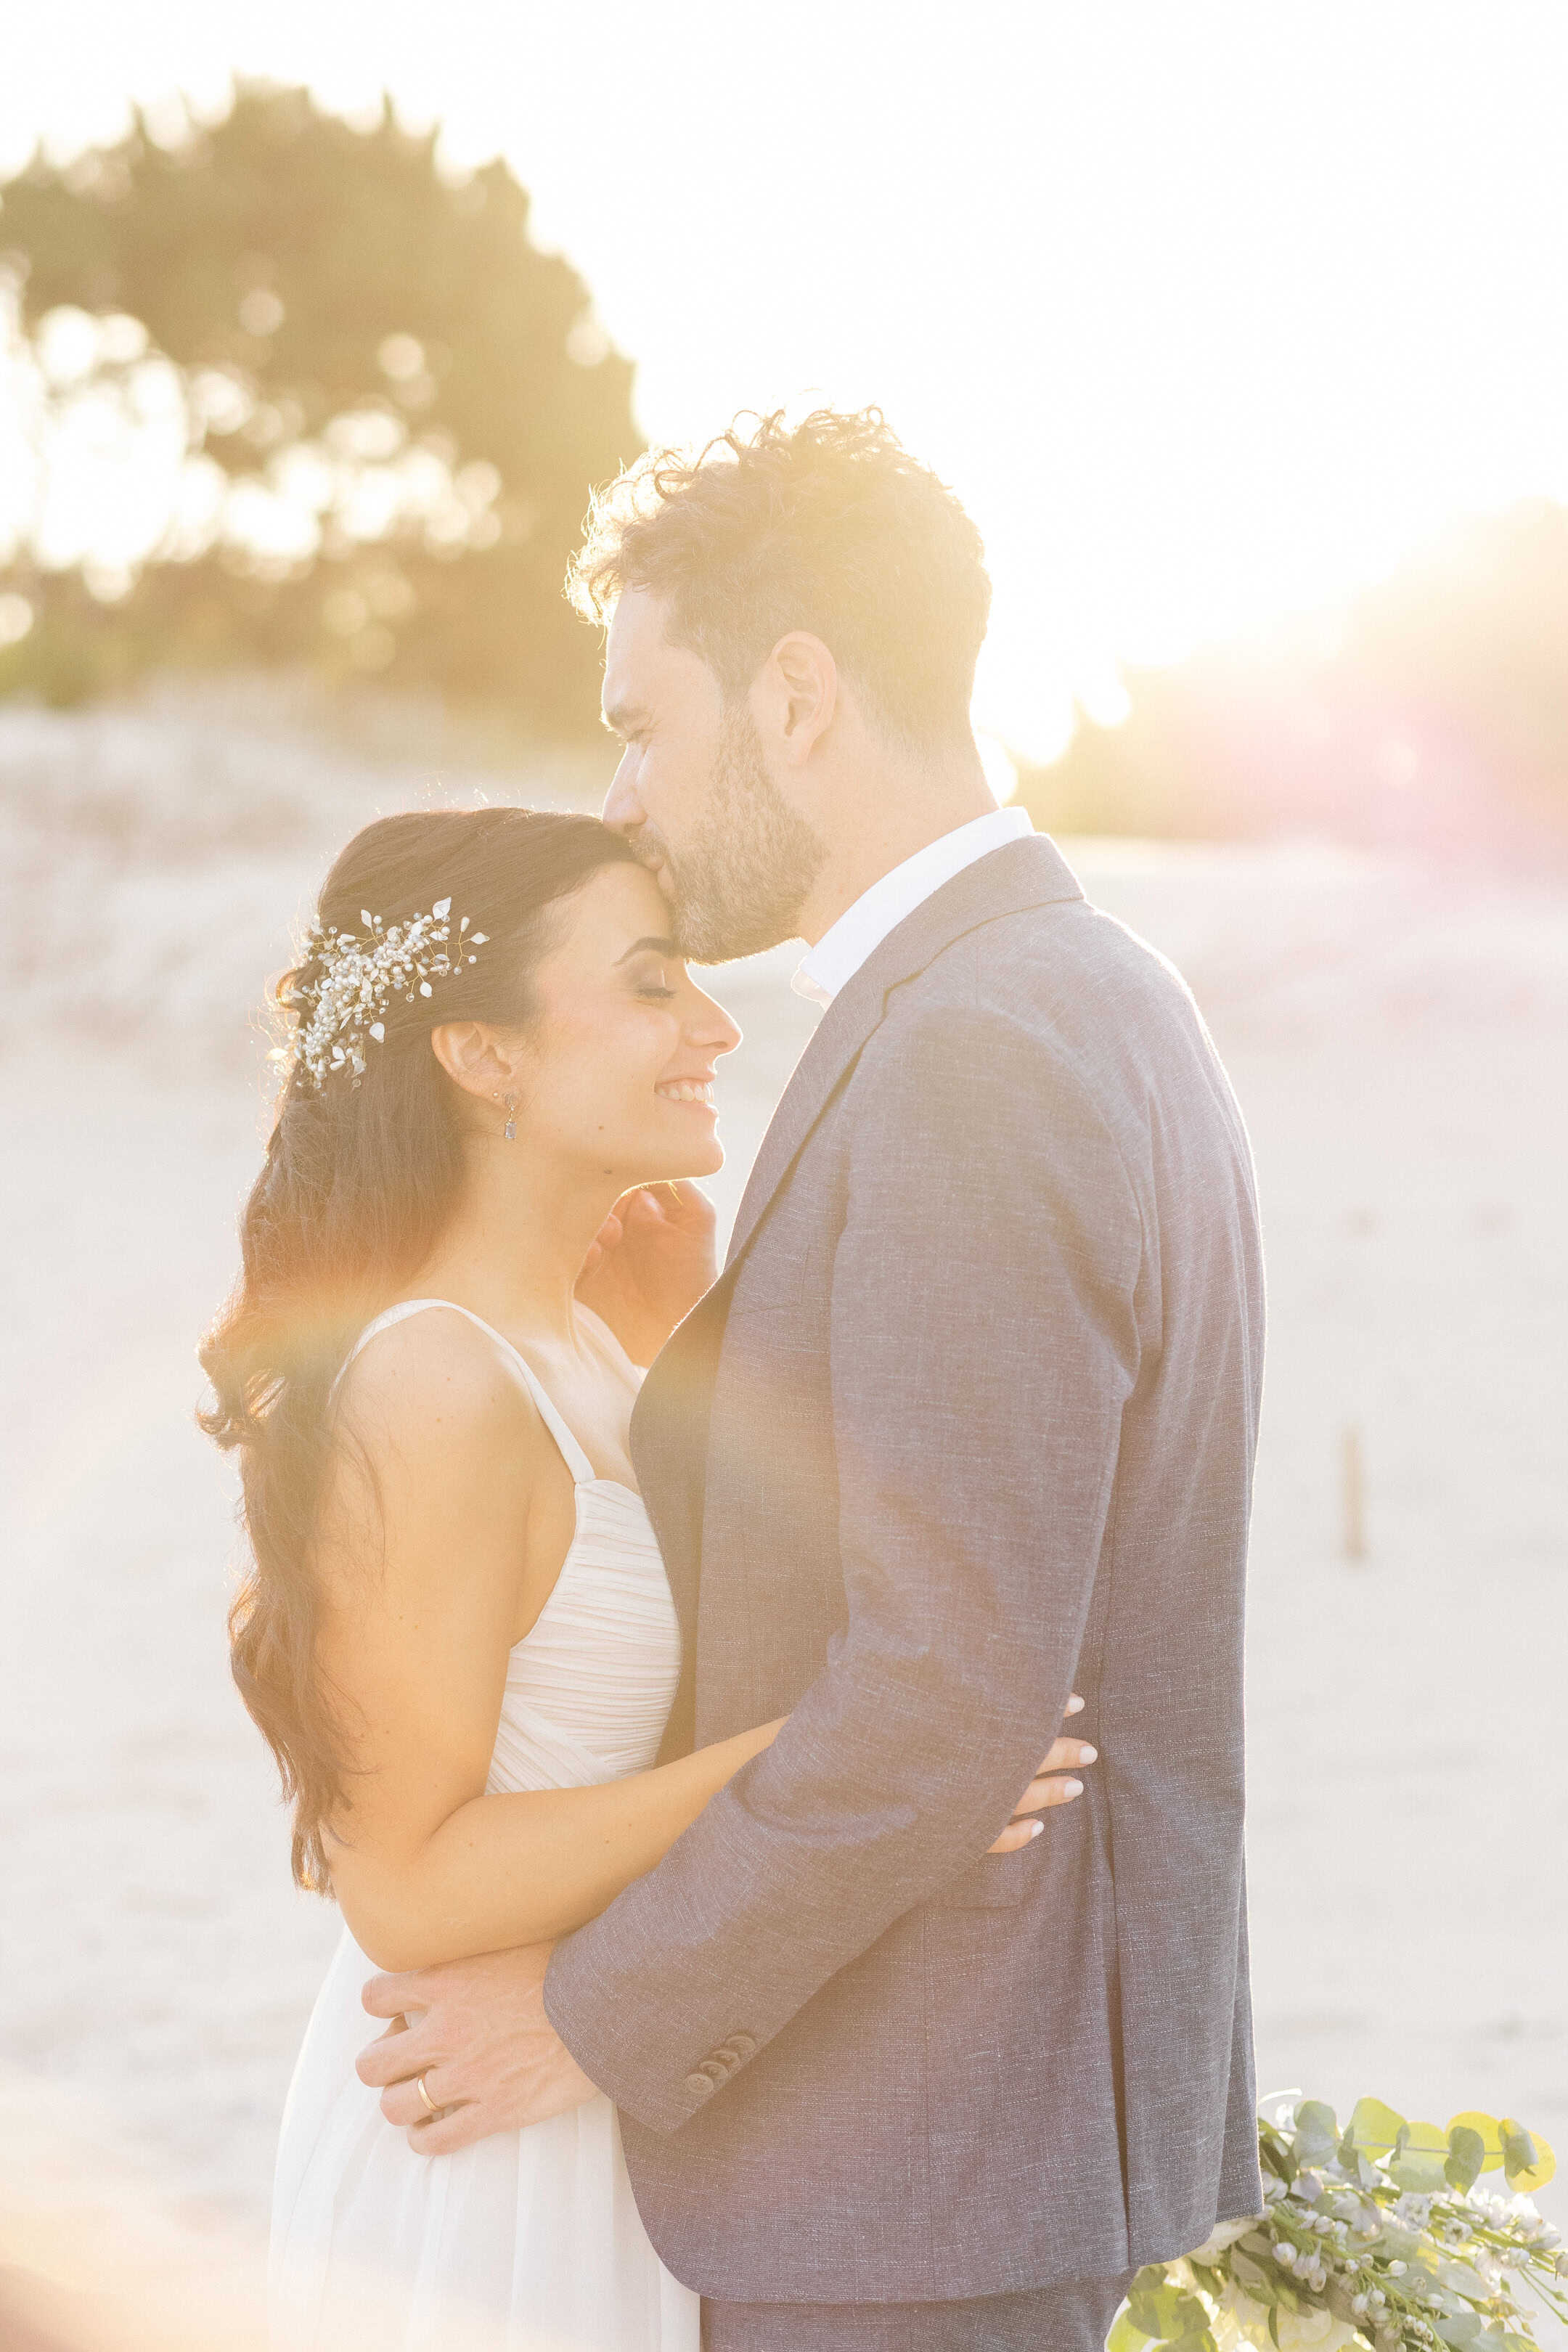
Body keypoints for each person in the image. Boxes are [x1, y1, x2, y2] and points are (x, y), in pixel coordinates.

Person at [354, 411, 1267, 2351]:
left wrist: (584, 2017)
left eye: (642, 726)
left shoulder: (972, 1044)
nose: (623, 799)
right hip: (959, 2147)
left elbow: (949, 1688)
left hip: (910, 2161)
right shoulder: (1085, 985)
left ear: (795, 698)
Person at [200, 803, 1093, 2350]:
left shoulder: (584, 1349)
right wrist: (836, 1767)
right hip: (480, 2148)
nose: (715, 1026)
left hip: (613, 2096)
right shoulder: (438, 1384)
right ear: (483, 1056)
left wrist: (673, 1355)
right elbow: (401, 1882)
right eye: (652, 984)